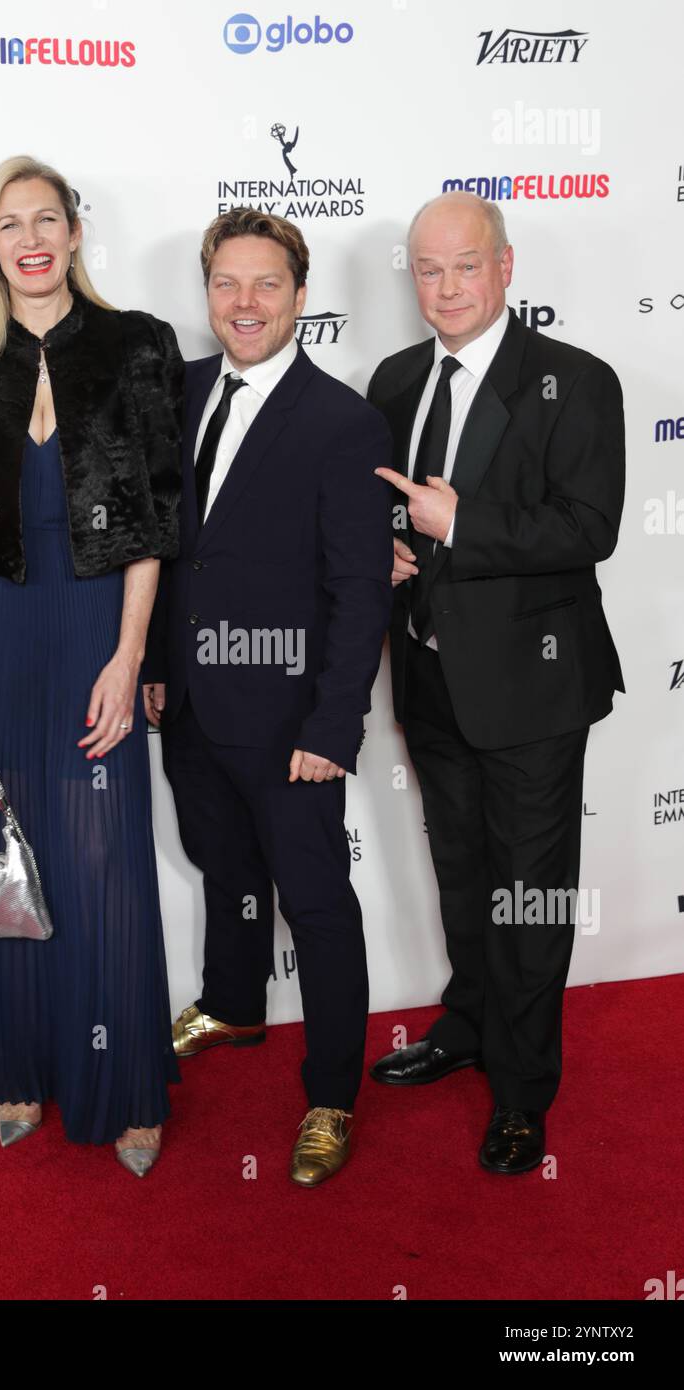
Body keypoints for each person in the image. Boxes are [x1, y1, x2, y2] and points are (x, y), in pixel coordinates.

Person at [0, 154, 183, 1177]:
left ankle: (124, 1082)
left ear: (72, 230)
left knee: (101, 855)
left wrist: (128, 653)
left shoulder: (137, 346)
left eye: (46, 217)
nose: (30, 238)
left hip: (95, 618)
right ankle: (17, 1065)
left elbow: (151, 521)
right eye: (10, 223)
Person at [367, 190, 625, 1173]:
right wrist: (389, 548)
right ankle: (468, 1022)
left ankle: (521, 1089)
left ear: (504, 268)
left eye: (463, 265)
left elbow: (584, 528)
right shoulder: (393, 379)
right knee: (464, 872)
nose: (443, 287)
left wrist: (454, 527)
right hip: (429, 677)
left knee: (529, 894)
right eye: (425, 269)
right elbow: (387, 511)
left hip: (532, 690)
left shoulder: (573, 380)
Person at [141, 208, 393, 1187]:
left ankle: (330, 1092)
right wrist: (160, 661)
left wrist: (334, 723)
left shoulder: (342, 419)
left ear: (299, 295)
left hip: (292, 717)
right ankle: (233, 1002)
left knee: (318, 904)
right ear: (206, 292)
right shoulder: (181, 390)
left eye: (265, 285)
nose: (242, 304)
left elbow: (358, 586)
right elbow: (172, 550)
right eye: (225, 284)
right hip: (195, 701)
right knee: (222, 866)